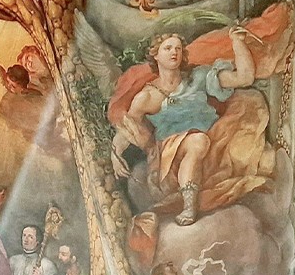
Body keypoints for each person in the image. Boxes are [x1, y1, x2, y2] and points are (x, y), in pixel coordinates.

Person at [110, 23, 270, 226]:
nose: (174, 52)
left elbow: (245, 78)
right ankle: (189, 206)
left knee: (221, 138)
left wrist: (237, 43)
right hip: (171, 156)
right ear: (156, 56)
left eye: (178, 48)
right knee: (197, 141)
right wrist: (115, 154)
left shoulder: (199, 78)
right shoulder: (147, 97)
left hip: (214, 145)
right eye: (167, 48)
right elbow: (127, 129)